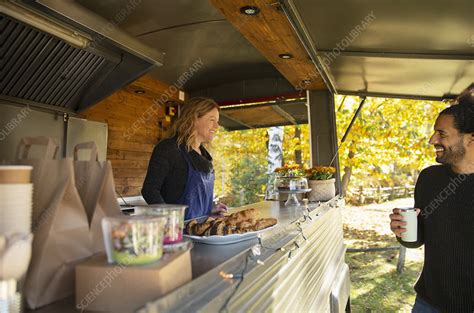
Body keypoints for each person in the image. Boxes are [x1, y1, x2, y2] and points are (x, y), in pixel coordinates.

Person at [389, 84, 474, 313]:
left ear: (470, 139)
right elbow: (417, 239)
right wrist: (402, 231)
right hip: (429, 303)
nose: (432, 140)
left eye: (442, 134)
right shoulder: (429, 178)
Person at [142, 97, 227, 219]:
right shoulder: (169, 148)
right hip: (176, 232)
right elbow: (150, 190)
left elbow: (197, 200)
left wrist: (210, 208)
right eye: (212, 120)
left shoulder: (205, 156)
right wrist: (169, 220)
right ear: (193, 119)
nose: (217, 126)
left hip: (202, 230)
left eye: (217, 121)